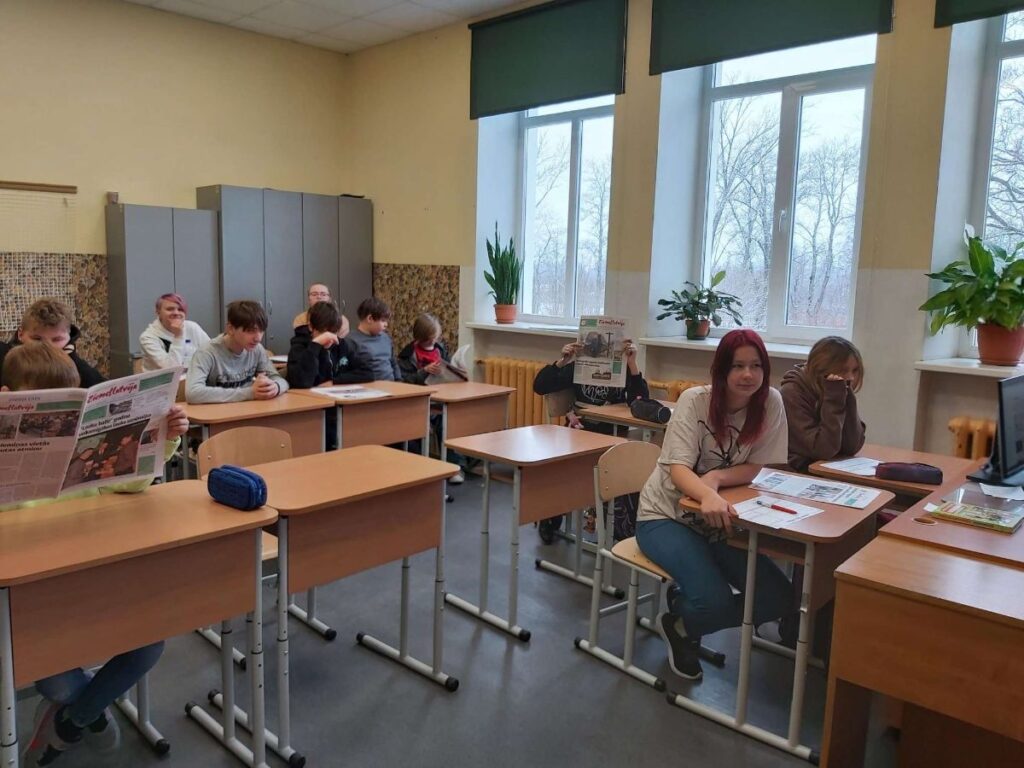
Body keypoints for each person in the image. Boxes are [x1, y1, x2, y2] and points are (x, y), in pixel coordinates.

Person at [1, 342, 188, 766]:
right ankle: (88, 713)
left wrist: (167, 436)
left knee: (149, 642)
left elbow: (128, 483)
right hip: (27, 596)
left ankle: (69, 723)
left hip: (86, 573)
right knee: (57, 684)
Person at [635, 329, 792, 680]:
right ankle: (687, 619)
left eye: (756, 366)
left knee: (778, 597)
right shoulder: (695, 401)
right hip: (665, 516)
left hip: (719, 519)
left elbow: (757, 466)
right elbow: (677, 469)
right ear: (721, 370)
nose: (748, 375)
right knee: (714, 601)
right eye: (737, 366)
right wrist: (707, 495)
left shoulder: (771, 402)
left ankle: (685, 615)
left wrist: (716, 479)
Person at [532, 336, 650, 542]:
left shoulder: (622, 371)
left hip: (612, 433)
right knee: (559, 466)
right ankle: (552, 514)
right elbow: (540, 386)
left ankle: (620, 523)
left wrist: (632, 364)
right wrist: (563, 361)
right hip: (580, 430)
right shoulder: (579, 367)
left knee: (631, 462)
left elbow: (641, 400)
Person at [396, 313, 465, 484]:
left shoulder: (439, 350)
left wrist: (456, 372)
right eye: (429, 339)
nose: (433, 342)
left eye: (435, 338)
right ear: (419, 338)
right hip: (417, 401)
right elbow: (405, 381)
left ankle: (453, 467)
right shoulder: (408, 355)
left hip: (440, 398)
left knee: (447, 424)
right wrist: (424, 371)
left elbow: (448, 368)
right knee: (418, 429)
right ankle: (421, 468)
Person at [780, 336, 866, 473]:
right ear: (822, 369)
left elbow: (852, 446)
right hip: (796, 470)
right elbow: (823, 450)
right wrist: (834, 399)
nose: (851, 377)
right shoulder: (791, 393)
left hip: (826, 467)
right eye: (843, 370)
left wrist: (848, 398)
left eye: (855, 370)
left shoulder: (838, 389)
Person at [185, 300, 289, 403]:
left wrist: (275, 387)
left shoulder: (257, 349)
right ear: (230, 329)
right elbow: (193, 393)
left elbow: (279, 379)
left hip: (247, 410)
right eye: (250, 331)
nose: (258, 338)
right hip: (217, 411)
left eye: (261, 330)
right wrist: (249, 393)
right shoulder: (206, 352)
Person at [0, 299, 105, 388]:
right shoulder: (3, 357)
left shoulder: (84, 373)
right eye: (37, 339)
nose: (47, 347)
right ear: (20, 334)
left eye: (57, 340)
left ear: (69, 336)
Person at [286, 300, 370, 389]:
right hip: (306, 396)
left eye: (333, 332)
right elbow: (301, 382)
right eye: (323, 332)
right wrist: (315, 345)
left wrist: (335, 381)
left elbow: (368, 373)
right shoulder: (299, 346)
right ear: (311, 327)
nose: (328, 337)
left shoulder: (342, 345)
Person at [138, 293, 211, 372]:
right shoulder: (148, 337)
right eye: (170, 309)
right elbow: (172, 370)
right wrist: (178, 337)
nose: (176, 313)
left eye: (180, 310)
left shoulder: (192, 327)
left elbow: (211, 353)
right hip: (165, 379)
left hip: (193, 376)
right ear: (158, 312)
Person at [346, 297, 401, 382]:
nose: (386, 324)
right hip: (368, 386)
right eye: (383, 320)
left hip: (392, 385)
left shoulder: (385, 338)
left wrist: (399, 380)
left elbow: (393, 362)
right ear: (370, 319)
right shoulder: (350, 341)